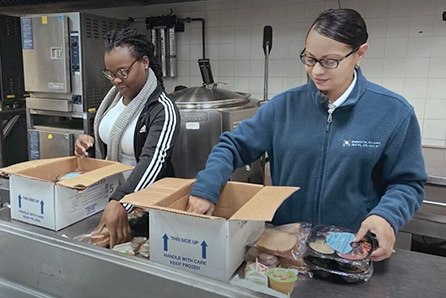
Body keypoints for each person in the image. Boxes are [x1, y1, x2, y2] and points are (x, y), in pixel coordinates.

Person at [186, 8, 427, 262]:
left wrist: (387, 216)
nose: (316, 72)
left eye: (329, 61)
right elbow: (232, 146)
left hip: (350, 250)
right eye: (310, 59)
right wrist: (206, 188)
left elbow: (407, 183)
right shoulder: (283, 107)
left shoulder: (392, 112)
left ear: (359, 54)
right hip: (285, 249)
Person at [75, 27, 180, 248]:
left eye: (123, 72)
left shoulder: (162, 110)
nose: (115, 81)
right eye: (110, 74)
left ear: (144, 62)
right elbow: (108, 148)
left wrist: (121, 201)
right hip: (107, 200)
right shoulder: (112, 102)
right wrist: (88, 146)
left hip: (144, 210)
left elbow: (153, 161)